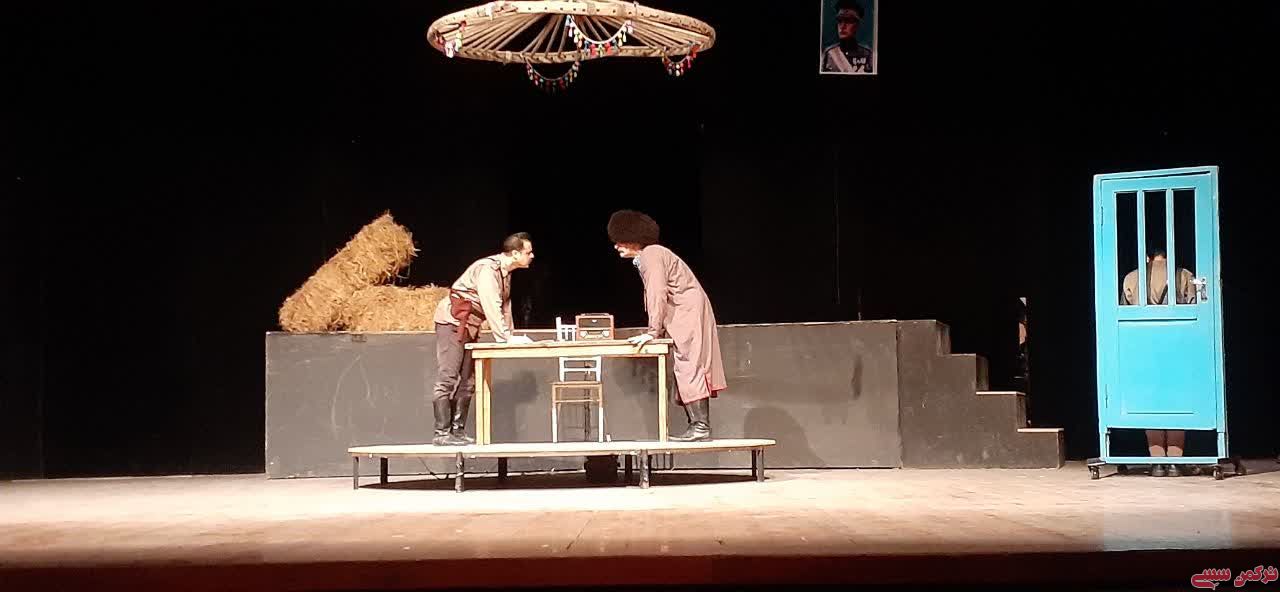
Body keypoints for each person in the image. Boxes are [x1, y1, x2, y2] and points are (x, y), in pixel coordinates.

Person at [608, 210, 726, 442]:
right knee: (686, 365)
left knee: (690, 364)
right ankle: (698, 426)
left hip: (687, 312)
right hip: (685, 312)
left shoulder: (651, 254)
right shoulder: (652, 255)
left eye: (620, 241)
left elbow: (657, 293)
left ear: (634, 237)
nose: (616, 246)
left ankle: (701, 427)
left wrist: (652, 333)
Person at [429, 233, 535, 446]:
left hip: (471, 326)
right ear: (515, 254)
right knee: (448, 376)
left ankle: (457, 431)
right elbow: (491, 303)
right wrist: (503, 338)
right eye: (528, 252)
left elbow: (505, 307)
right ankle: (441, 433)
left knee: (468, 381)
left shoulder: (505, 274)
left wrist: (511, 337)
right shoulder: (488, 269)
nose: (532, 256)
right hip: (453, 322)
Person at [1121, 247, 1195, 476]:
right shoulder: (1184, 275)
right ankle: (1175, 463)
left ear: (1147, 257)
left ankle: (1157, 463)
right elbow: (1196, 308)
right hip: (1177, 345)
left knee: (1151, 401)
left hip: (1144, 346)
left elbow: (1124, 312)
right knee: (1176, 401)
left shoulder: (1132, 278)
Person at [822, 0, 874, 73]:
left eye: (848, 21)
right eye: (840, 21)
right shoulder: (829, 54)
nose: (842, 26)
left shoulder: (867, 54)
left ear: (857, 25)